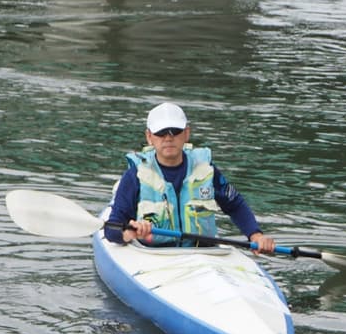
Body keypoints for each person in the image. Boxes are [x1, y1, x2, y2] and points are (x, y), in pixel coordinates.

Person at [103, 102, 275, 252]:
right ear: (149, 137)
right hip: (154, 255)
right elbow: (111, 230)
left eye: (175, 131)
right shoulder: (135, 176)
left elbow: (235, 205)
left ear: (186, 134)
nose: (168, 138)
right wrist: (130, 232)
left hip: (202, 254)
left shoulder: (205, 169)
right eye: (161, 132)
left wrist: (256, 236)